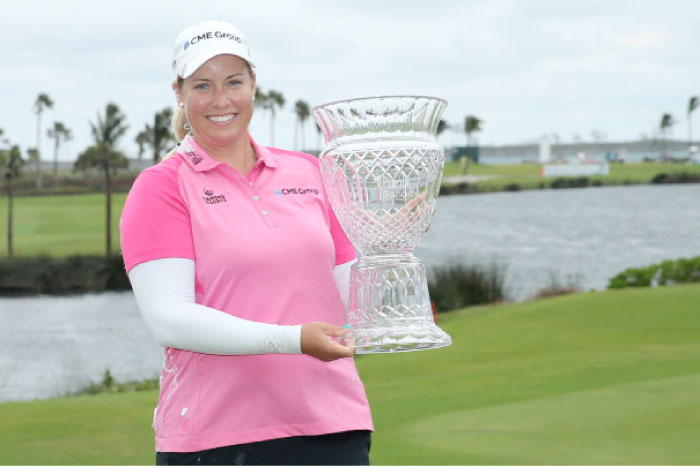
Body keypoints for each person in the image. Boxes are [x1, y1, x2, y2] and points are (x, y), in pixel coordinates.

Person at [119, 20, 373, 465]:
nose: (221, 100)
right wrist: (294, 339)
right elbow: (170, 320)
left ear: (253, 85)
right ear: (179, 92)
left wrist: (390, 245)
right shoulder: (161, 187)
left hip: (334, 424)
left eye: (234, 81)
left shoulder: (308, 172)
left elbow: (356, 292)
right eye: (203, 85)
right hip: (218, 437)